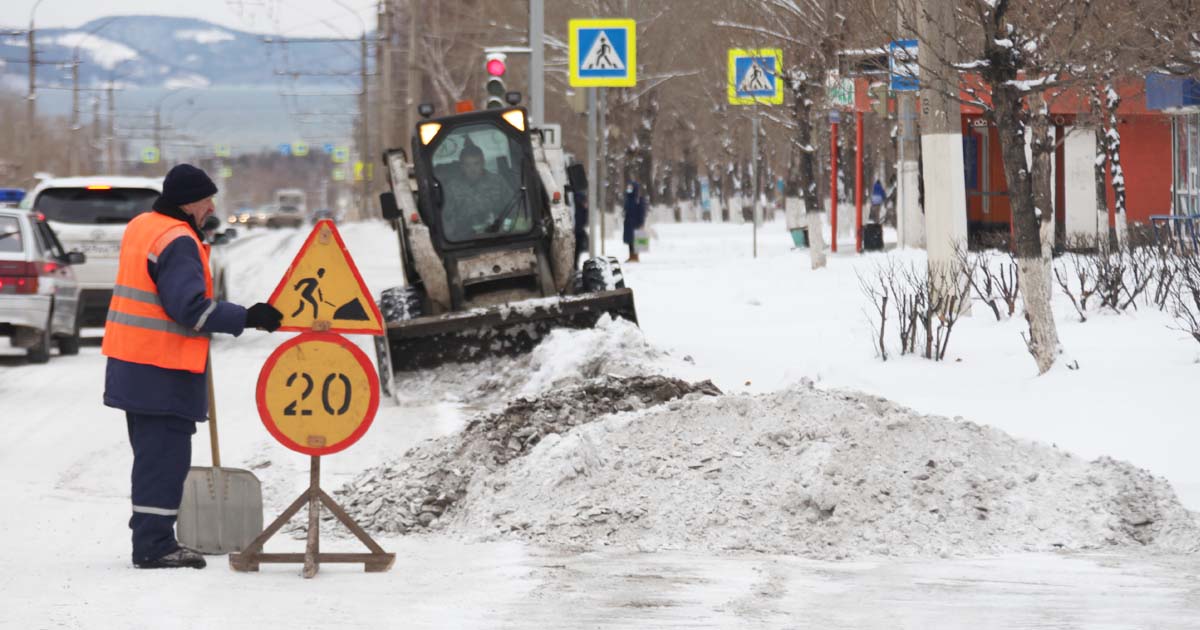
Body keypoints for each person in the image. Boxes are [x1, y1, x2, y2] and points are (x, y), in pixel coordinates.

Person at [102, 164, 283, 570]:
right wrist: (248, 317)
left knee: (152, 456)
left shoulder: (142, 226)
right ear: (188, 202)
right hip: (160, 366)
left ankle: (153, 538)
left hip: (134, 363)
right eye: (205, 199)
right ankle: (154, 546)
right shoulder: (178, 239)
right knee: (164, 458)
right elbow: (189, 309)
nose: (211, 206)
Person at [442, 141, 514, 240]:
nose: (473, 169)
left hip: (497, 235)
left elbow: (513, 208)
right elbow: (446, 218)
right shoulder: (451, 188)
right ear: (462, 167)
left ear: (483, 163)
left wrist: (506, 228)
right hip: (464, 240)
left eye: (476, 164)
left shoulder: (498, 182)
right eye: (468, 165)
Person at [622, 180, 646, 263]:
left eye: (630, 188)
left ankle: (636, 256)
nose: (629, 189)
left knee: (636, 239)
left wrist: (641, 223)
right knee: (629, 240)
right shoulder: (628, 198)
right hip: (628, 223)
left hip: (636, 222)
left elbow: (642, 212)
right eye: (628, 187)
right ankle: (631, 256)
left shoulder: (638, 199)